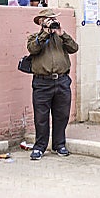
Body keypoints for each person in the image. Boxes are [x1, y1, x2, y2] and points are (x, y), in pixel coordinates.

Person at [27, 9, 79, 160]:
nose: (52, 21)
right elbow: (33, 48)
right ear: (41, 21)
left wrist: (62, 33)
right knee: (41, 117)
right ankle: (40, 147)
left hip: (62, 81)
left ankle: (59, 144)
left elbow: (74, 48)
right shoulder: (34, 37)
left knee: (62, 115)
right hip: (42, 83)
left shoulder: (61, 37)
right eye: (49, 19)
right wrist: (44, 33)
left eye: (53, 19)